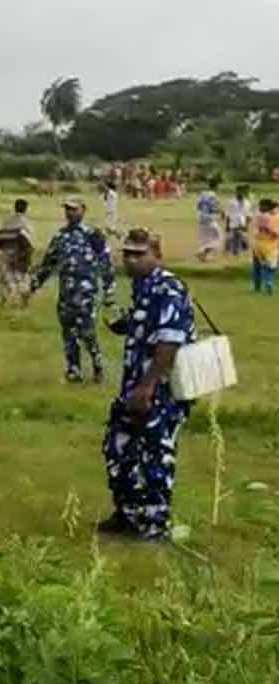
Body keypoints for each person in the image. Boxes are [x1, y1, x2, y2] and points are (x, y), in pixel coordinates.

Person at [99, 228, 195, 540]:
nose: (131, 260)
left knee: (156, 453)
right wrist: (124, 324)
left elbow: (169, 342)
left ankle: (155, 523)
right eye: (127, 253)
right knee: (119, 446)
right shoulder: (144, 287)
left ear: (157, 255)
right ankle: (128, 513)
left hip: (159, 389)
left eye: (139, 254)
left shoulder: (168, 288)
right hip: (135, 385)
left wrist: (147, 386)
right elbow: (149, 325)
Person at [30, 198, 116, 384]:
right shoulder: (60, 237)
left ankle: (98, 365)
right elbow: (48, 264)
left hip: (86, 293)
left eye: (74, 209)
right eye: (67, 209)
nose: (70, 213)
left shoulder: (93, 235)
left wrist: (109, 291)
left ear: (83, 211)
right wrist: (34, 285)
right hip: (66, 293)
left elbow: (106, 263)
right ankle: (73, 370)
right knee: (68, 333)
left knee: (87, 332)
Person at [0, 199, 35, 308]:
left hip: (6, 252)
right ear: (26, 209)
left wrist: (4, 249)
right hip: (19, 253)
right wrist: (28, 255)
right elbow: (27, 240)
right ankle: (24, 302)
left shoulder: (7, 221)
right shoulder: (25, 222)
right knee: (21, 276)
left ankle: (4, 301)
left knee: (5, 277)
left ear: (15, 207)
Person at [253, 198, 277, 295]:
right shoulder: (271, 217)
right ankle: (268, 282)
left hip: (259, 244)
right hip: (270, 246)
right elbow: (271, 230)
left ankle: (258, 285)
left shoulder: (260, 215)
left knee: (258, 266)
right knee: (270, 267)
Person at [195, 179, 223, 261]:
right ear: (216, 186)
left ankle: (202, 255)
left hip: (200, 217)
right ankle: (201, 252)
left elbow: (198, 206)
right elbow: (214, 208)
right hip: (209, 219)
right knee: (218, 238)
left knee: (205, 239)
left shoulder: (202, 194)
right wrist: (221, 212)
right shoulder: (213, 196)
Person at [224, 185, 252, 257]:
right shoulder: (231, 202)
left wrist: (247, 225)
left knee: (243, 240)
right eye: (239, 191)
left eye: (243, 192)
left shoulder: (247, 203)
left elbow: (249, 215)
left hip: (242, 222)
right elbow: (228, 213)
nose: (241, 193)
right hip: (233, 221)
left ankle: (236, 248)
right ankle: (234, 251)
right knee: (234, 236)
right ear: (236, 192)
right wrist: (227, 224)